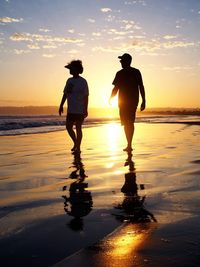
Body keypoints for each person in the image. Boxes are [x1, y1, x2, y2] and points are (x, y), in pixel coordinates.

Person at [109, 53, 146, 152]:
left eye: (122, 60)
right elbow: (116, 88)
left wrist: (144, 100)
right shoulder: (119, 73)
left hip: (132, 101)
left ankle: (129, 144)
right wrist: (110, 98)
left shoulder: (136, 72)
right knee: (126, 123)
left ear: (127, 61)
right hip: (122, 102)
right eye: (120, 61)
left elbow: (141, 86)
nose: (120, 62)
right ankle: (128, 144)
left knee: (129, 122)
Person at [59, 60, 89, 153]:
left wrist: (85, 109)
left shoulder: (83, 81)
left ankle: (78, 147)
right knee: (68, 127)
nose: (70, 71)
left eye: (71, 69)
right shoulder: (69, 81)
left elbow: (86, 96)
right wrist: (61, 105)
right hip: (71, 109)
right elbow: (65, 94)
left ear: (76, 69)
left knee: (78, 128)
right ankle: (76, 143)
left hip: (80, 109)